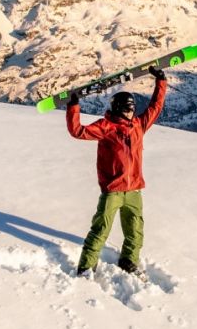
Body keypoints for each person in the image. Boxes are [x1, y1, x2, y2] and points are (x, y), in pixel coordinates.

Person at [65, 69, 167, 277]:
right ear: (118, 108)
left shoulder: (138, 125)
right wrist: (73, 105)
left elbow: (155, 107)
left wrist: (161, 81)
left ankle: (129, 261)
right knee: (101, 229)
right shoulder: (106, 127)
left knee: (135, 230)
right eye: (127, 109)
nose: (131, 112)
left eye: (132, 108)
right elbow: (78, 131)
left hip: (134, 190)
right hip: (112, 190)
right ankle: (86, 266)